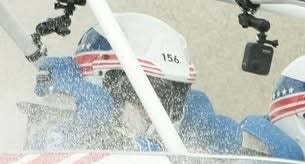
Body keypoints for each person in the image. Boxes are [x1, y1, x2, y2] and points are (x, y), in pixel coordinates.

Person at [24, 13, 242, 154]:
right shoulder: (60, 123)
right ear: (100, 82)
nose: (158, 109)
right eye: (145, 92)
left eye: (170, 97)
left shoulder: (188, 129)